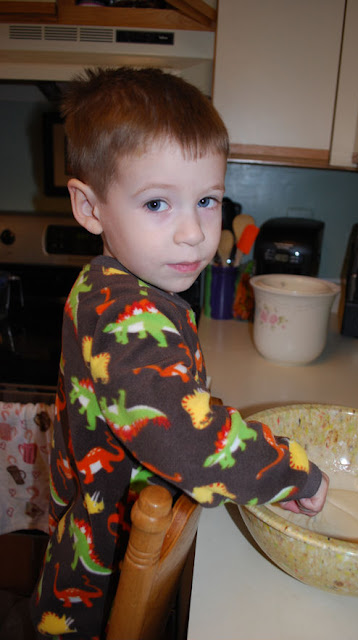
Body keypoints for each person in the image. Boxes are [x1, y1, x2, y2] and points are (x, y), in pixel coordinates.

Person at [31, 67, 328, 639]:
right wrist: (295, 473)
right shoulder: (127, 317)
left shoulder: (122, 288)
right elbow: (181, 438)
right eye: (157, 204)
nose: (194, 231)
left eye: (208, 199)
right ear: (90, 209)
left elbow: (171, 396)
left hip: (99, 538)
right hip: (97, 586)